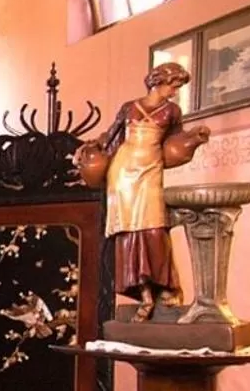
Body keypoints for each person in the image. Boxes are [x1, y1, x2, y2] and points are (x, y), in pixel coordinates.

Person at [85, 62, 209, 320]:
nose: (174, 91)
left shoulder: (172, 111)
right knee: (129, 232)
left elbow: (175, 142)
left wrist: (194, 137)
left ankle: (166, 288)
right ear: (159, 81)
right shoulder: (129, 107)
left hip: (151, 169)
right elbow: (110, 137)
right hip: (123, 171)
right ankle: (144, 294)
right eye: (173, 85)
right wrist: (90, 147)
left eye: (177, 87)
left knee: (154, 230)